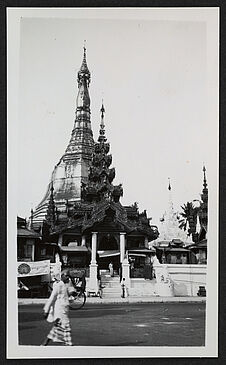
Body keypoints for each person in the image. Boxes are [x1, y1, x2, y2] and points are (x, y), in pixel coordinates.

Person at [41, 271, 72, 346]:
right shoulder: (59, 285)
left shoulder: (65, 284)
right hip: (60, 309)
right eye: (66, 276)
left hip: (64, 308)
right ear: (62, 276)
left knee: (58, 326)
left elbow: (66, 295)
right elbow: (52, 297)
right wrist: (46, 310)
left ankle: (45, 342)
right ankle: (69, 343)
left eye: (68, 276)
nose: (68, 277)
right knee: (65, 325)